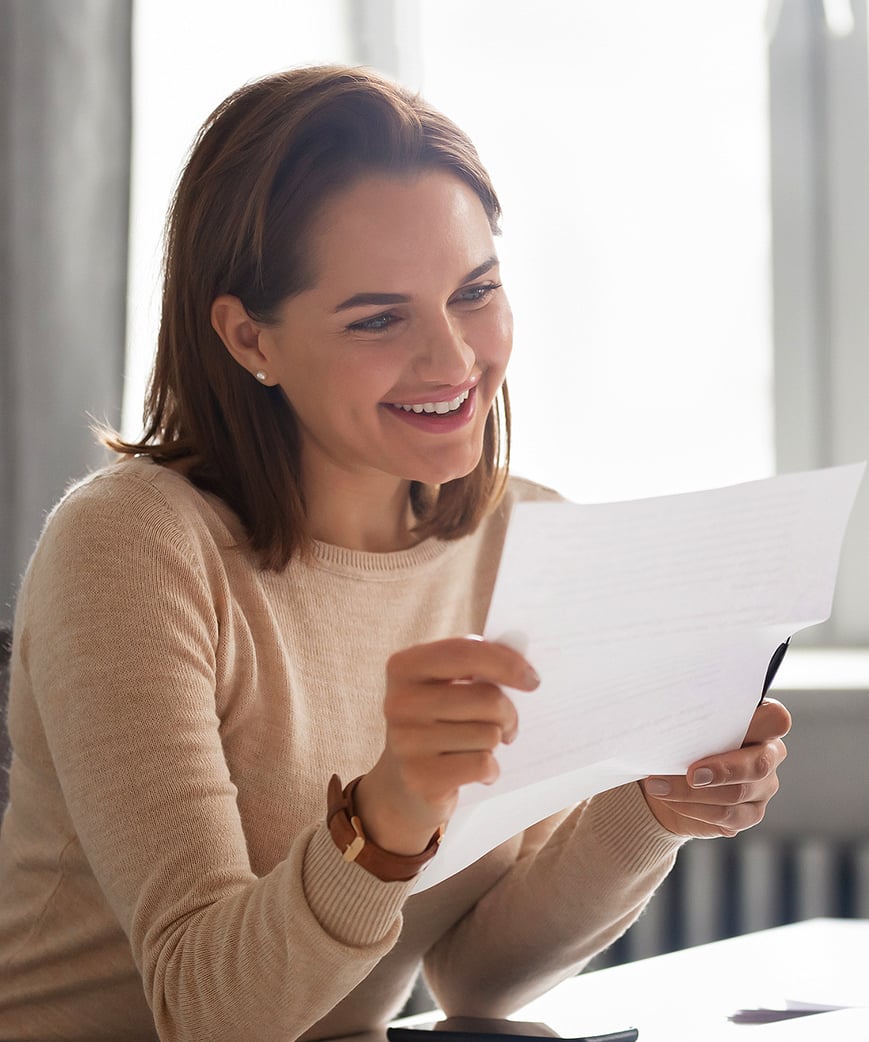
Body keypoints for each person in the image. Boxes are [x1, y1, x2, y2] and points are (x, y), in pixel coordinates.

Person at [0, 66, 790, 1042]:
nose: (454, 361)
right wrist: (386, 811)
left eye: (475, 292)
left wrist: (647, 804)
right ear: (249, 336)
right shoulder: (130, 547)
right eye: (379, 318)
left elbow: (475, 976)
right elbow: (204, 1011)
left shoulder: (522, 536)